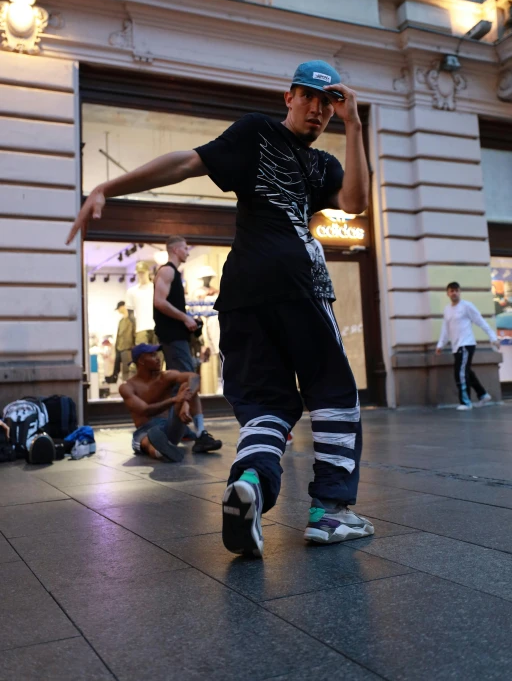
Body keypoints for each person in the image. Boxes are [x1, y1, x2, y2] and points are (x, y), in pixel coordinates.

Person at [67, 59, 374, 557]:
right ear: (288, 96)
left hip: (242, 295)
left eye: (329, 104)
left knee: (267, 404)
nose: (318, 110)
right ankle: (331, 512)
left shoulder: (324, 166)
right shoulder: (256, 133)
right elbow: (186, 162)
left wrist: (355, 124)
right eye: (309, 98)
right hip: (297, 285)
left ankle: (250, 481)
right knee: (334, 392)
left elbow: (356, 202)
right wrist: (108, 186)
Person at [153, 236, 222, 453]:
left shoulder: (174, 273)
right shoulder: (167, 271)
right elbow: (159, 302)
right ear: (174, 249)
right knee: (190, 382)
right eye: (184, 248)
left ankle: (176, 433)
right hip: (173, 337)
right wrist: (184, 318)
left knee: (182, 385)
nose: (187, 252)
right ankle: (198, 434)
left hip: (177, 337)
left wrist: (187, 319)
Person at [120, 343, 213, 461]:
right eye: (153, 355)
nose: (158, 358)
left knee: (187, 385)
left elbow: (194, 377)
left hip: (170, 424)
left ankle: (201, 434)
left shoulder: (166, 376)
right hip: (146, 429)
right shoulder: (128, 387)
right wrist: (175, 399)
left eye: (157, 355)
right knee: (148, 441)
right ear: (141, 361)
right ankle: (161, 451)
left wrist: (185, 401)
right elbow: (145, 410)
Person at [436, 281, 499, 410]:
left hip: (466, 344)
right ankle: (482, 394)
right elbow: (445, 329)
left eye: (456, 290)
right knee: (466, 372)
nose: (454, 293)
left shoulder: (467, 306)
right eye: (451, 291)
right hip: (456, 346)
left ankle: (466, 402)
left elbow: (480, 321)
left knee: (460, 373)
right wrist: (440, 344)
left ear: (460, 292)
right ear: (447, 293)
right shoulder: (447, 309)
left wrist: (493, 337)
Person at [106, 301, 135, 384]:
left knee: (128, 370)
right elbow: (119, 336)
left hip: (128, 349)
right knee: (121, 370)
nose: (118, 311)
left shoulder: (131, 320)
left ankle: (129, 386)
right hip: (120, 349)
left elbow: (134, 334)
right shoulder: (121, 321)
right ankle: (126, 386)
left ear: (122, 307)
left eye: (118, 308)